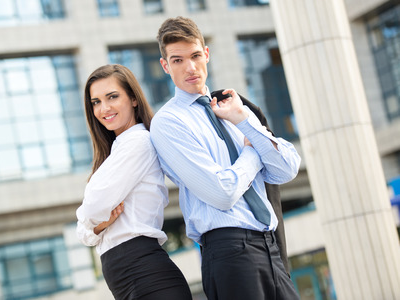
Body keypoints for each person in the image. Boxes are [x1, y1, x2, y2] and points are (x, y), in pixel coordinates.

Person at [150, 16, 301, 300]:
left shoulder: (233, 106)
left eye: (195, 56)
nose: (190, 67)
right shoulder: (169, 122)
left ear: (206, 54)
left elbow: (287, 168)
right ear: (165, 65)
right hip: (230, 253)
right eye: (178, 60)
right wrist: (252, 151)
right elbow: (221, 193)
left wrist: (243, 121)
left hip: (271, 248)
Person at [75, 64, 192, 300]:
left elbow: (92, 208)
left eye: (112, 97)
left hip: (145, 274)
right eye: (96, 102)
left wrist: (93, 219)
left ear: (133, 99)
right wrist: (99, 225)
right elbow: (84, 232)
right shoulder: (114, 153)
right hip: (128, 277)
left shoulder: (138, 142)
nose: (103, 108)